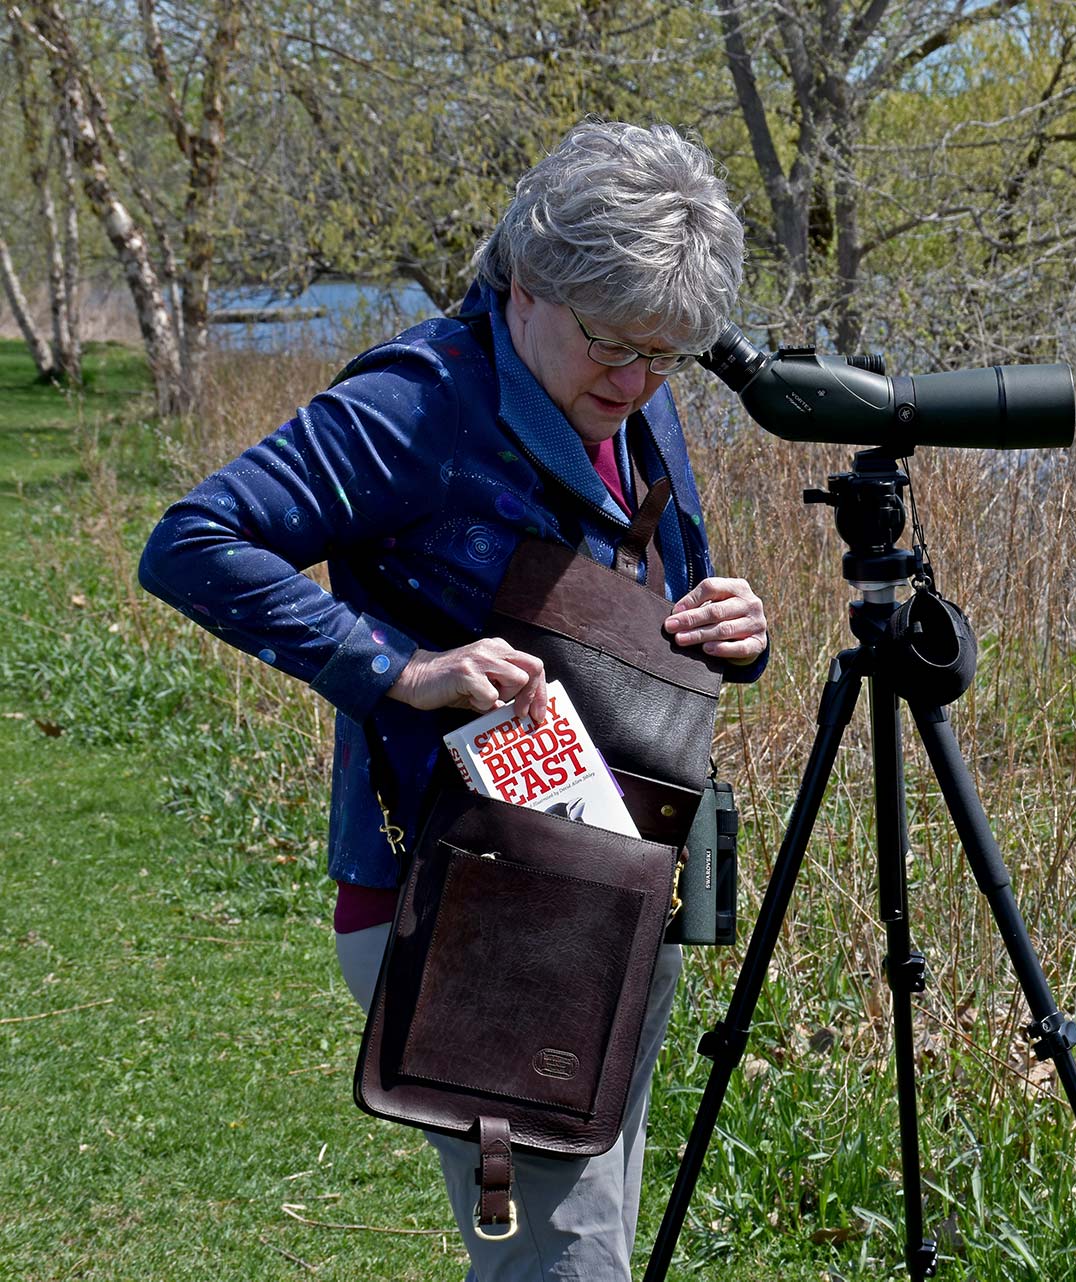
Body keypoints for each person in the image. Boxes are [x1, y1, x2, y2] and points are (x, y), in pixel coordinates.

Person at [138, 120, 768, 1280]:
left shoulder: (632, 400)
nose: (634, 384)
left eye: (664, 357)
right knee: (565, 1262)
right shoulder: (413, 406)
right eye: (614, 346)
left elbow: (652, 592)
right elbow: (190, 542)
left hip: (616, 886)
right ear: (528, 281)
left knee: (580, 1245)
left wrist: (730, 624)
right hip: (472, 905)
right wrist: (395, 667)